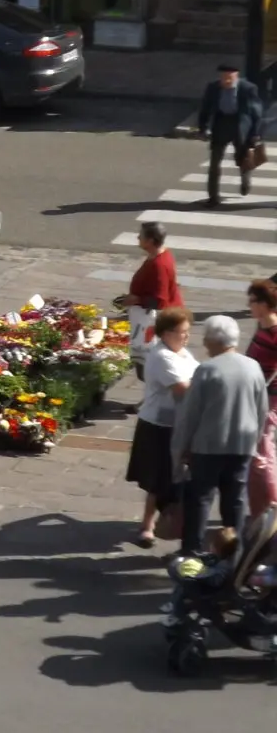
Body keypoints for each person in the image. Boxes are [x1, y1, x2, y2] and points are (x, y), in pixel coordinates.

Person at [173, 315, 265, 553]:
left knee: (200, 499)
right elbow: (261, 409)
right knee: (235, 500)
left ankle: (192, 552)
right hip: (242, 446)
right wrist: (253, 442)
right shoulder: (253, 366)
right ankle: (233, 552)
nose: (204, 343)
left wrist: (180, 448)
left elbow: (190, 415)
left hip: (208, 447)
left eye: (206, 338)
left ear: (214, 341)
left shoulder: (207, 369)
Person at [127, 307, 195, 547]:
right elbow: (183, 389)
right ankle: (147, 526)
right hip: (158, 425)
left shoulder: (182, 353)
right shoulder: (161, 356)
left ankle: (172, 522)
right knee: (157, 479)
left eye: (188, 332)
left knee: (175, 477)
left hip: (178, 424)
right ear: (165, 333)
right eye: (181, 332)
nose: (186, 337)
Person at [113, 222, 183, 375]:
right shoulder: (159, 256)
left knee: (149, 371)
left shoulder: (159, 264)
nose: (138, 237)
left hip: (157, 323)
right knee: (146, 369)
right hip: (157, 319)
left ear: (150, 241)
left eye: (141, 235)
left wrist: (135, 300)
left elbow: (160, 301)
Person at [237, 280, 277, 521]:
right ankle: (261, 509)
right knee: (262, 453)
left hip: (268, 400)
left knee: (261, 457)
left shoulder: (273, 331)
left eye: (252, 301)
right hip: (256, 397)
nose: (248, 305)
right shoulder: (262, 326)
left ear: (264, 304)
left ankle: (269, 509)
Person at [198, 64, 265, 206]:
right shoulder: (213, 88)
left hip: (241, 126)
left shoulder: (248, 89)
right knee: (214, 163)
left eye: (229, 77)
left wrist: (255, 133)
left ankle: (245, 179)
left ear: (236, 76)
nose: (226, 81)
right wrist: (202, 128)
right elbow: (205, 108)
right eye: (223, 77)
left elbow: (257, 113)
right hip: (221, 124)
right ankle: (213, 197)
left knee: (242, 159)